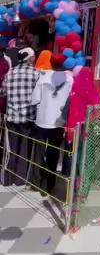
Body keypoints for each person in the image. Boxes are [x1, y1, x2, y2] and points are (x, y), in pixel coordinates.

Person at [30, 56, 73, 195]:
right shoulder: (70, 79)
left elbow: (35, 99)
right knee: (53, 153)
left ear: (51, 63)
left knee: (38, 151)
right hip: (58, 122)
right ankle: (49, 186)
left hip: (42, 120)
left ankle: (36, 182)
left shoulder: (43, 78)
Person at [1, 48, 39, 186]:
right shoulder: (36, 74)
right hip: (28, 118)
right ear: (31, 58)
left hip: (12, 117)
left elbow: (3, 92)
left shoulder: (10, 73)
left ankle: (8, 178)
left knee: (11, 148)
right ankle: (21, 179)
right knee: (25, 149)